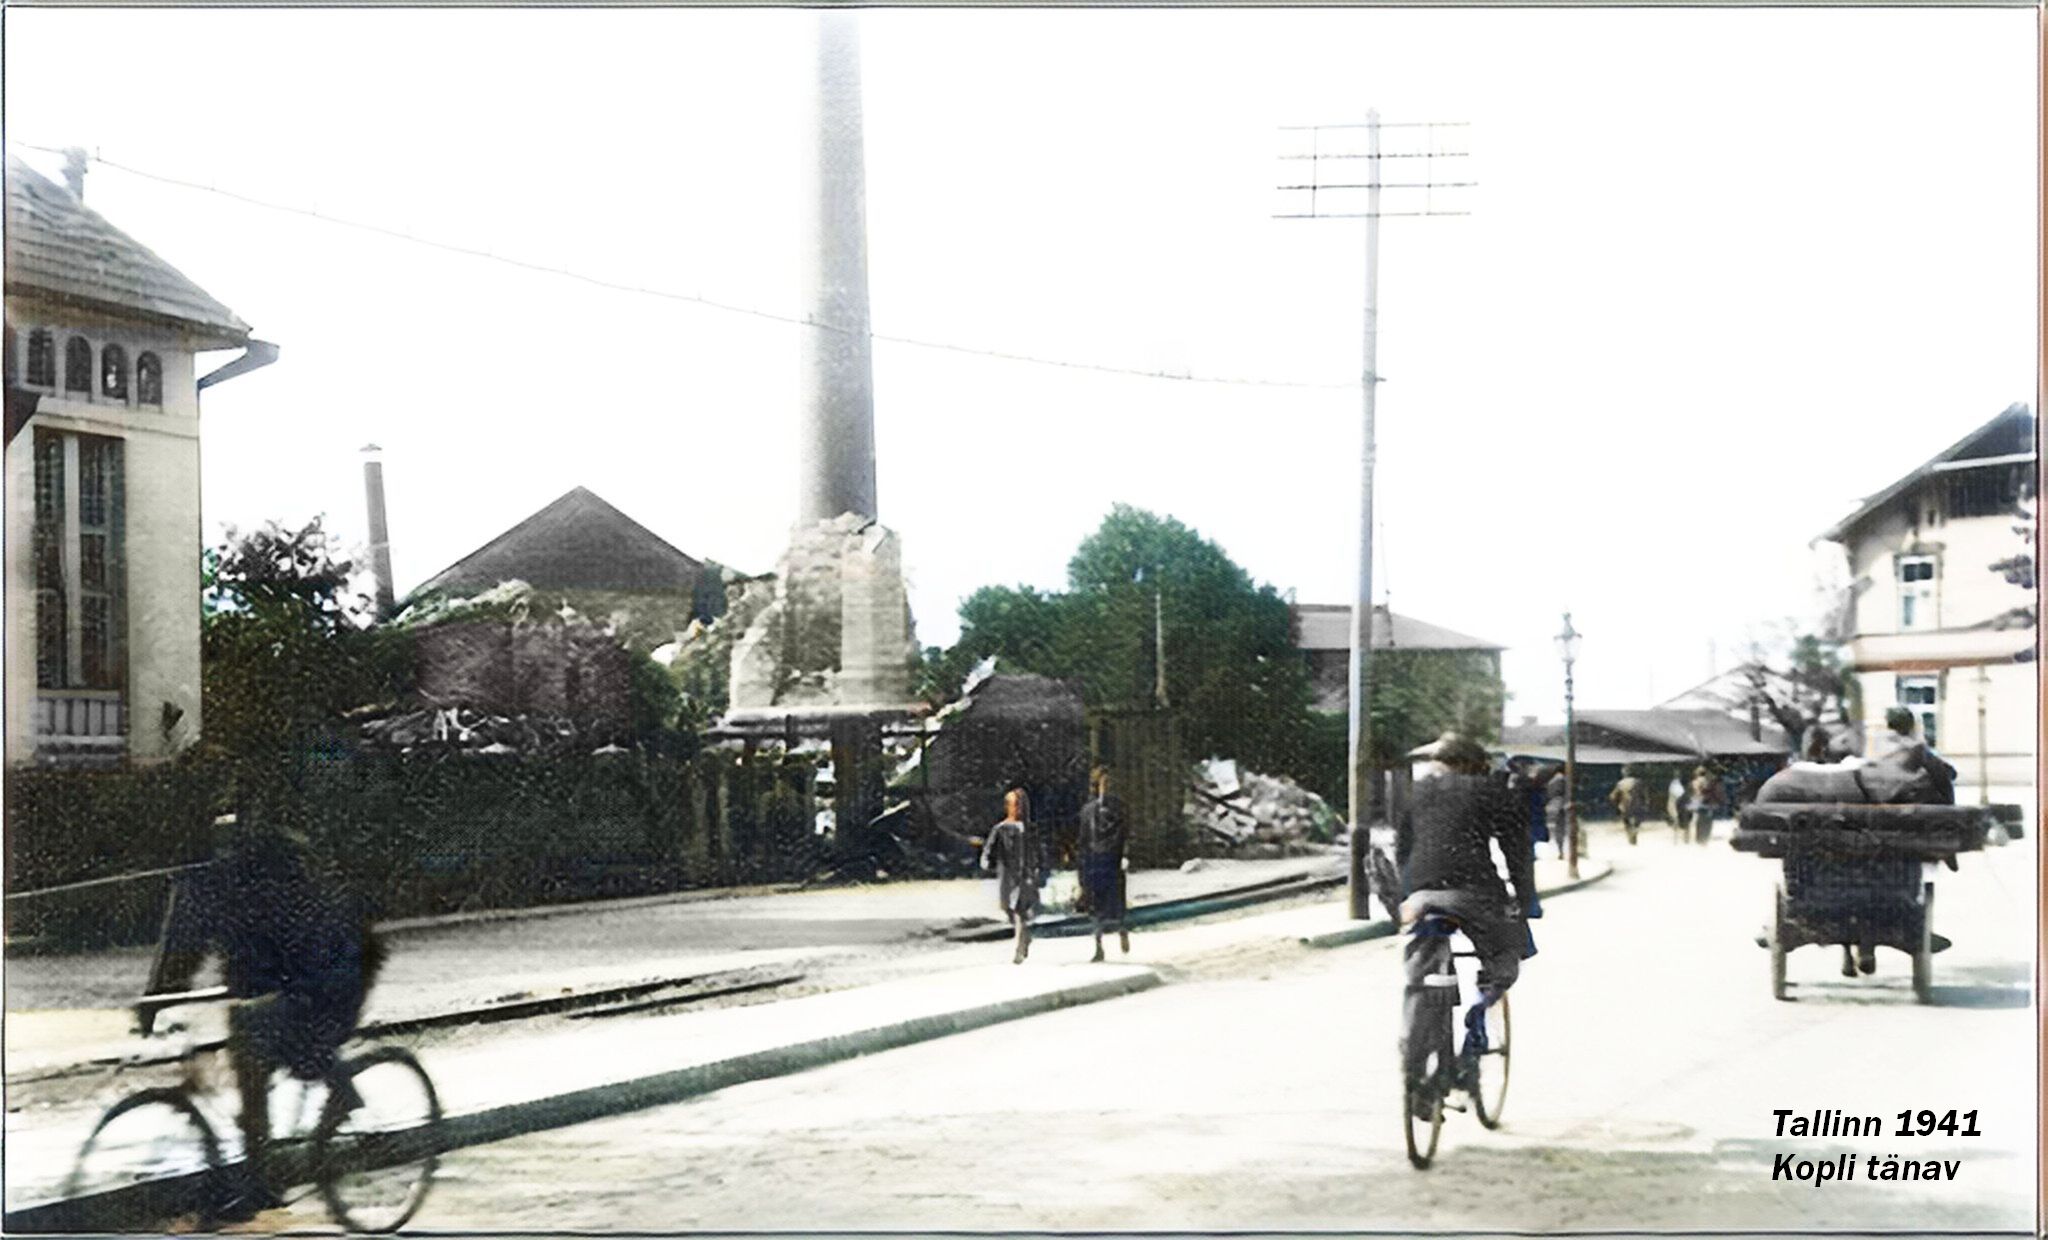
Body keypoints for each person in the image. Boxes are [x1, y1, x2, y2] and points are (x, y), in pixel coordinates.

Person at [155, 812, 385, 1218]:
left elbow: (322, 933)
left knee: (281, 1038)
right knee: (252, 1059)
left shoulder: (278, 864)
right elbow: (181, 949)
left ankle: (343, 1092)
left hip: (332, 971)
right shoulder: (206, 883)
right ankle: (260, 1179)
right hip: (276, 986)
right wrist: (156, 1000)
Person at [1397, 732, 1538, 1116]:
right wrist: (1526, 901)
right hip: (1475, 894)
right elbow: (1516, 850)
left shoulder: (1415, 792)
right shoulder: (1489, 790)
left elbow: (1403, 850)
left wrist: (1405, 900)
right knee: (1505, 960)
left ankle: (1416, 1067)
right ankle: (1475, 1027)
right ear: (1473, 765)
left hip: (1421, 898)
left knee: (1420, 976)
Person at [979, 787, 1042, 964]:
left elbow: (1038, 851)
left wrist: (1037, 869)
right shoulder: (1001, 828)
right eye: (1011, 804)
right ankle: (1025, 936)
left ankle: (1019, 948)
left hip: (1025, 874)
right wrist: (986, 862)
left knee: (1020, 909)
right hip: (1007, 874)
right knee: (1008, 908)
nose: (1014, 808)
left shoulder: (1029, 829)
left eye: (1016, 804)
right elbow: (990, 848)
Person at [1076, 767, 1130, 962]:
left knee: (1115, 903)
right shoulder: (1087, 811)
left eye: (1110, 784)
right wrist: (1081, 865)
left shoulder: (1119, 808)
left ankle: (1122, 929)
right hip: (1093, 862)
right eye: (1104, 783)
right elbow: (1083, 839)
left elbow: (1125, 834)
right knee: (1095, 906)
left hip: (1112, 860)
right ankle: (1098, 946)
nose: (1107, 787)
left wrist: (1124, 855)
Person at [1609, 767, 1642, 845]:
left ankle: (1630, 834)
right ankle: (1635, 829)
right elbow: (1643, 793)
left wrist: (1615, 804)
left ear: (1623, 774)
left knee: (1626, 820)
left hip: (1625, 806)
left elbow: (1613, 796)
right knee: (1638, 818)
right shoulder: (1637, 782)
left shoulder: (1620, 784)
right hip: (1636, 805)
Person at [1687, 765, 1719, 844]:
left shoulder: (1694, 782)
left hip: (1696, 804)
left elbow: (1691, 793)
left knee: (1699, 822)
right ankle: (1705, 839)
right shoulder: (1709, 781)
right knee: (1707, 821)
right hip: (1707, 804)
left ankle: (1699, 839)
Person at [1666, 772, 1687, 841]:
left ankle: (1676, 836)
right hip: (1676, 803)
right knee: (1676, 818)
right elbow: (1680, 794)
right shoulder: (1676, 784)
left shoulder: (1673, 784)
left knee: (1675, 818)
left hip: (1673, 803)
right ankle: (1677, 836)